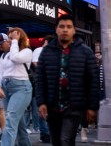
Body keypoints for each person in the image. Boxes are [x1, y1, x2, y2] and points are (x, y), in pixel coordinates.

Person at [35, 14, 99, 146]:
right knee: (57, 141)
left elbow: (93, 81)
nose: (65, 30)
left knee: (66, 140)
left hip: (74, 106)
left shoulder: (86, 52)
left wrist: (92, 107)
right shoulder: (46, 52)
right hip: (52, 106)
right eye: (62, 26)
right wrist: (41, 102)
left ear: (74, 30)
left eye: (69, 27)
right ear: (56, 29)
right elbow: (40, 79)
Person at [0, 28, 33, 146]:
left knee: (10, 121)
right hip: (7, 90)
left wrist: (15, 41)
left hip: (22, 89)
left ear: (19, 38)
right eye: (9, 38)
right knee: (19, 126)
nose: (10, 40)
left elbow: (16, 58)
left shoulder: (27, 52)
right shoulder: (3, 56)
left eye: (12, 38)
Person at [30, 34, 54, 143]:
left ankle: (49, 132)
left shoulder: (54, 52)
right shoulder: (38, 50)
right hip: (40, 82)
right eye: (46, 42)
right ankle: (44, 133)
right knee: (41, 108)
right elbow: (35, 64)